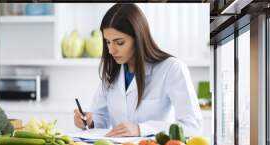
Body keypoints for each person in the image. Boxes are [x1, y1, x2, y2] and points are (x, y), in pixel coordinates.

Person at [74, 3, 202, 137]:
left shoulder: (171, 68)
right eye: (108, 42)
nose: (111, 50)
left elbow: (192, 126)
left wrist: (141, 129)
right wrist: (89, 121)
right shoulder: (112, 70)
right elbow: (101, 119)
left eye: (119, 42)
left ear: (138, 38)